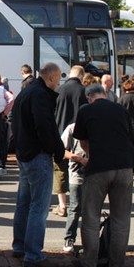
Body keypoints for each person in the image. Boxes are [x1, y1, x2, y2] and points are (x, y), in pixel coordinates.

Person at [73, 84, 134, 267]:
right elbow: (130, 136)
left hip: (99, 167)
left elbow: (83, 140)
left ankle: (90, 260)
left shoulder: (86, 110)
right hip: (124, 166)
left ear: (89, 96)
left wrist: (91, 154)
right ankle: (116, 261)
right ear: (105, 94)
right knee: (121, 218)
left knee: (91, 216)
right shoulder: (120, 109)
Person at [11, 63, 65, 266]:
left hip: (25, 153)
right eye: (58, 78)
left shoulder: (27, 92)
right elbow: (44, 125)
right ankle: (32, 253)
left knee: (24, 203)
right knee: (38, 206)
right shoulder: (40, 95)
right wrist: (54, 149)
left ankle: (20, 245)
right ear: (51, 77)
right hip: (37, 154)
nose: (59, 82)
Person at [52, 65, 88, 217]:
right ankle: (78, 202)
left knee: (60, 170)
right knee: (79, 171)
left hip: (60, 133)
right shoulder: (84, 91)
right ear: (82, 76)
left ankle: (62, 205)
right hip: (79, 135)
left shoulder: (59, 90)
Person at [61, 123, 89, 254]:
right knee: (75, 207)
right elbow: (62, 149)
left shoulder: (99, 125)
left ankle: (89, 242)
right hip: (77, 173)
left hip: (95, 174)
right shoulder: (72, 128)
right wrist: (77, 158)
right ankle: (69, 238)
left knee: (91, 210)